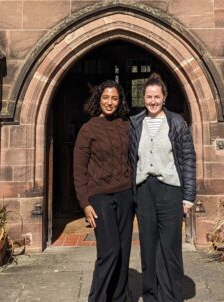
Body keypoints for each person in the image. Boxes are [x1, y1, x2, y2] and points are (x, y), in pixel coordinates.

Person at [129, 73, 196, 302]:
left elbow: (188, 159)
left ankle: (172, 296)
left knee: (170, 247)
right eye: (149, 96)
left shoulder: (176, 122)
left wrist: (188, 197)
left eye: (157, 96)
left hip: (170, 189)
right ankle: (151, 295)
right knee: (148, 246)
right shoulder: (135, 122)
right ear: (143, 97)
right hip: (144, 190)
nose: (153, 101)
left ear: (164, 97)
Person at [73, 80, 134, 302]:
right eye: (106, 97)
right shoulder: (88, 129)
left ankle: (119, 297)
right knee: (109, 251)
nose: (110, 102)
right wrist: (85, 203)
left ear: (120, 101)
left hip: (125, 194)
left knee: (124, 251)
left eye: (114, 98)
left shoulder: (125, 125)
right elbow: (79, 170)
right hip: (99, 197)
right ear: (99, 100)